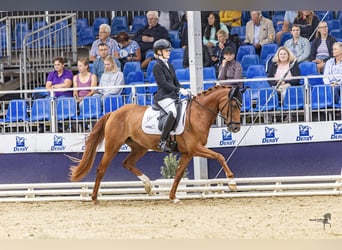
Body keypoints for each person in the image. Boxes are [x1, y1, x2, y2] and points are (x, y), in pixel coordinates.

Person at [152, 39, 191, 152]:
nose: (169, 52)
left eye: (169, 50)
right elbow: (163, 84)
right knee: (173, 112)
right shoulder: (157, 66)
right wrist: (178, 90)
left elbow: (176, 82)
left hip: (173, 95)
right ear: (159, 52)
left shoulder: (170, 65)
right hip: (163, 96)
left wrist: (185, 90)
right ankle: (162, 141)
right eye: (166, 50)